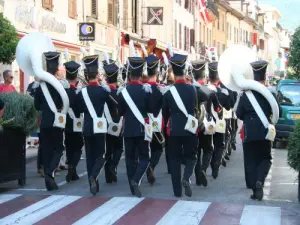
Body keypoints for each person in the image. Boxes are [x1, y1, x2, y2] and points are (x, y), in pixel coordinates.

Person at [236, 60, 281, 201]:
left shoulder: (245, 95)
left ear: (253, 76)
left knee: (250, 160)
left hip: (249, 132)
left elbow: (239, 114)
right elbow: (276, 111)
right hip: (265, 132)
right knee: (265, 158)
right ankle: (260, 181)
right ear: (265, 75)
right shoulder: (270, 93)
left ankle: (255, 190)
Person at [162, 53, 198, 197]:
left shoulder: (168, 92)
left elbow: (165, 114)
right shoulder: (192, 89)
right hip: (190, 128)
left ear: (173, 71)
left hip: (174, 129)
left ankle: (177, 191)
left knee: (174, 159)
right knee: (191, 156)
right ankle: (186, 177)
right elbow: (195, 108)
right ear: (185, 70)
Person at [118, 56, 154, 197]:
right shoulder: (146, 90)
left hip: (128, 130)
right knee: (145, 157)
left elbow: (120, 112)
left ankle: (133, 187)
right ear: (141, 74)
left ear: (129, 73)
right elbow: (151, 109)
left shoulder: (123, 91)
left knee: (129, 159)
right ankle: (136, 179)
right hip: (141, 129)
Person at [77, 55, 112, 195]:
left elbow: (79, 109)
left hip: (87, 127)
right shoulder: (103, 91)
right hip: (99, 127)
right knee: (101, 154)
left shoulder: (82, 92)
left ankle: (93, 184)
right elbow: (111, 104)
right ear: (97, 75)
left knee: (90, 156)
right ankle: (94, 176)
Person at [34, 52, 64, 191]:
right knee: (58, 148)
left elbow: (37, 106)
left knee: (46, 150)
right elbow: (62, 103)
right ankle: (49, 172)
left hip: (45, 121)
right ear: (57, 68)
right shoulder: (59, 85)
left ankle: (48, 179)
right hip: (56, 121)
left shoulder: (40, 87)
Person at [190, 60, 222, 186]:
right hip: (207, 126)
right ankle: (204, 168)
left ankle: (198, 177)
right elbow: (218, 109)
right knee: (208, 149)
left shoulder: (190, 90)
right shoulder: (210, 91)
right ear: (204, 76)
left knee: (196, 152)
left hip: (194, 126)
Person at [143, 54, 165, 185]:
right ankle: (151, 166)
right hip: (157, 124)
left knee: (145, 148)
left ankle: (146, 166)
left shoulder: (142, 89)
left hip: (145, 123)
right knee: (158, 148)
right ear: (157, 71)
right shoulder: (161, 89)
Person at [207, 62, 231, 179]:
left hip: (206, 123)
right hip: (219, 123)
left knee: (206, 147)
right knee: (220, 145)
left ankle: (204, 167)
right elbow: (228, 107)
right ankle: (215, 164)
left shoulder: (204, 90)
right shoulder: (223, 92)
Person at [103, 62, 123, 183]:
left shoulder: (103, 92)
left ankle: (108, 175)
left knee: (108, 150)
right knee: (119, 149)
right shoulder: (120, 93)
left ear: (106, 78)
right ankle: (113, 166)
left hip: (106, 125)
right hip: (118, 124)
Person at [64, 61, 84, 183]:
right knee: (78, 147)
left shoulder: (63, 91)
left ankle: (73, 172)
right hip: (77, 123)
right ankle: (72, 167)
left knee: (69, 147)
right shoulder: (79, 92)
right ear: (76, 76)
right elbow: (82, 108)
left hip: (66, 123)